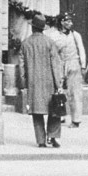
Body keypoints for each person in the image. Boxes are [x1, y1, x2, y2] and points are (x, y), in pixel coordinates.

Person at [20, 13, 63, 149]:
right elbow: (56, 65)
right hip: (49, 82)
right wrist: (59, 84)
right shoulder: (50, 42)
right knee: (54, 110)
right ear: (43, 28)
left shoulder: (25, 43)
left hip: (34, 83)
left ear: (33, 28)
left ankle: (41, 141)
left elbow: (22, 68)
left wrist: (24, 84)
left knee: (37, 113)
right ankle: (53, 137)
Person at [53, 13, 87, 128]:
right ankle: (60, 115)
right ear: (61, 22)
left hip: (73, 63)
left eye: (70, 21)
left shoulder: (75, 35)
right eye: (67, 21)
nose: (70, 23)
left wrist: (82, 65)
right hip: (60, 63)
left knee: (75, 91)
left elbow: (81, 49)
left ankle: (76, 119)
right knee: (59, 89)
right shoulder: (55, 35)